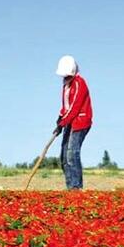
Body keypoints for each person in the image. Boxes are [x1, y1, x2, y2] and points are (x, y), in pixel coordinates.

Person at [54, 55, 93, 189]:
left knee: (72, 153)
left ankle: (76, 187)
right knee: (64, 156)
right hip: (69, 121)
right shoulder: (66, 84)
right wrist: (60, 118)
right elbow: (66, 105)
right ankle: (70, 186)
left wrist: (63, 122)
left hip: (80, 121)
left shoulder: (79, 83)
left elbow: (75, 106)